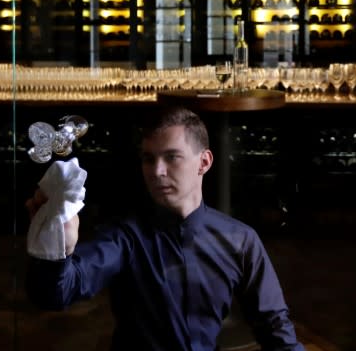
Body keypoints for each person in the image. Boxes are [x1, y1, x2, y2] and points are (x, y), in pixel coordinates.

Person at [25, 105, 305, 351]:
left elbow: (274, 327)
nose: (157, 171)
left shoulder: (241, 240)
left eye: (171, 157)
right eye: (149, 158)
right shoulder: (125, 237)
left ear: (204, 162)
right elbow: (56, 294)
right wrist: (58, 247)